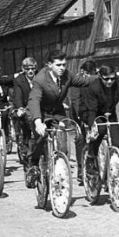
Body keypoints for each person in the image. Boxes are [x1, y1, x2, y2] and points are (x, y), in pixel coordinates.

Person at [25, 48, 96, 185]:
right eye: (58, 65)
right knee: (41, 136)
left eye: (64, 64)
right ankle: (33, 165)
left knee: (63, 139)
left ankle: (59, 163)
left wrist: (104, 77)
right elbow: (34, 100)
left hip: (57, 112)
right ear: (49, 65)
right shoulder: (40, 79)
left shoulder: (67, 76)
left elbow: (83, 81)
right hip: (40, 112)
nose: (62, 68)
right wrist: (38, 122)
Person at [70, 59, 97, 184]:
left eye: (93, 73)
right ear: (83, 72)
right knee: (81, 138)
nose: (90, 77)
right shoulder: (77, 81)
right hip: (78, 113)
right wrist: (80, 118)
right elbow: (75, 100)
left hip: (92, 112)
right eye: (88, 74)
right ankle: (81, 168)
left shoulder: (96, 79)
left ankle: (96, 165)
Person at [12, 57, 38, 173]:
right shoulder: (19, 80)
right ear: (23, 69)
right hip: (24, 108)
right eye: (28, 69)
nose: (31, 71)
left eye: (33, 68)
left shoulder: (39, 78)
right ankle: (26, 154)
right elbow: (17, 96)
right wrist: (19, 108)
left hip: (37, 108)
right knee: (26, 130)